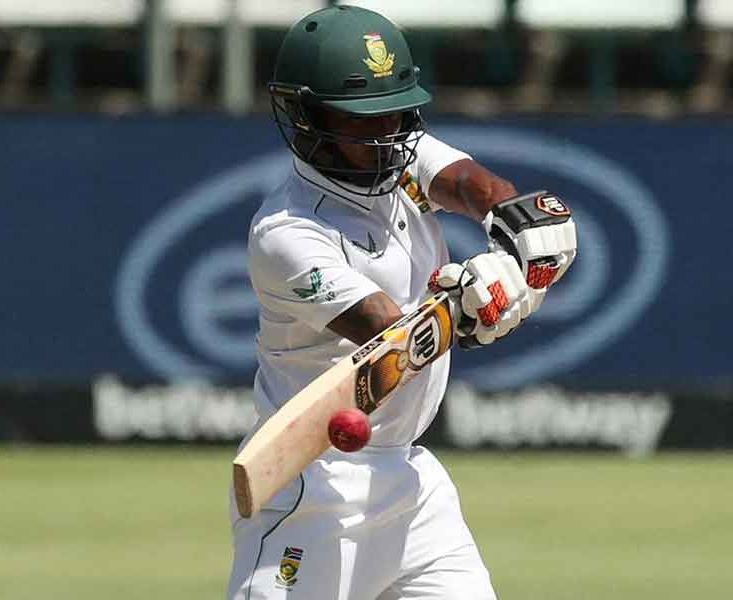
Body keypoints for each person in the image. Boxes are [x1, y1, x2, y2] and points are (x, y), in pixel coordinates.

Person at [226, 6, 576, 600]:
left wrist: (517, 233)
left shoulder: (390, 152)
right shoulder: (286, 233)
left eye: (397, 114)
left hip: (412, 484)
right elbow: (387, 331)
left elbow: (471, 185)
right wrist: (467, 305)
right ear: (309, 121)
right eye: (365, 121)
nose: (389, 134)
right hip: (316, 489)